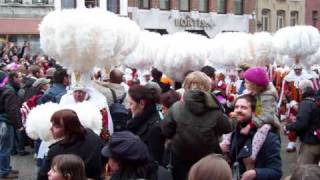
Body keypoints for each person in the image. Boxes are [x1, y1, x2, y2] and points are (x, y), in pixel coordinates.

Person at [161, 71, 232, 180]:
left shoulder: (176, 107)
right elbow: (227, 128)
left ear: (186, 87)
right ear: (207, 88)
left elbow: (166, 131)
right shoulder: (214, 109)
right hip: (207, 162)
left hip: (180, 160)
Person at [221, 67, 281, 169]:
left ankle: (253, 153)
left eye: (247, 82)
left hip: (266, 119)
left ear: (255, 85)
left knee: (264, 128)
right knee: (232, 119)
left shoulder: (268, 95)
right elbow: (243, 96)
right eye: (237, 107)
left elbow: (266, 115)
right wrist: (233, 98)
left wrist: (250, 125)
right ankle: (225, 143)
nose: (244, 84)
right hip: (256, 114)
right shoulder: (254, 89)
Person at [38, 109, 103, 180]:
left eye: (56, 126)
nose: (51, 129)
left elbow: (43, 175)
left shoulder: (56, 151)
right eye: (52, 124)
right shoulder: (92, 135)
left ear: (69, 129)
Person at [228, 94, 282, 180]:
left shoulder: (269, 137)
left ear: (254, 112)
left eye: (244, 107)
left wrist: (255, 173)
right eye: (236, 107)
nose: (238, 110)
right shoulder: (234, 133)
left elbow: (276, 172)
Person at [101, 131, 172, 180]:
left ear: (121, 162)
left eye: (111, 157)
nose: (109, 161)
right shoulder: (163, 174)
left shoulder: (118, 177)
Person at [126, 85, 165, 164]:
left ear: (142, 103)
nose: (128, 107)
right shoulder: (138, 118)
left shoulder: (155, 128)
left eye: (131, 104)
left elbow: (154, 160)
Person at [286, 80, 320, 166]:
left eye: (299, 90)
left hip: (309, 142)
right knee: (315, 170)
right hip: (317, 138)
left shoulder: (306, 103)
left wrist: (288, 127)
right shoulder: (316, 100)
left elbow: (302, 124)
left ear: (302, 90)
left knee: (303, 170)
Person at [0, 71, 20, 179]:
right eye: (19, 77)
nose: (20, 79)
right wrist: (18, 125)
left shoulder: (5, 89)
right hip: (5, 122)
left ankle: (6, 167)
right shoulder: (9, 91)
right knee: (5, 148)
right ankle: (4, 171)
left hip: (3, 121)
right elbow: (12, 110)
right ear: (13, 78)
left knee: (5, 147)